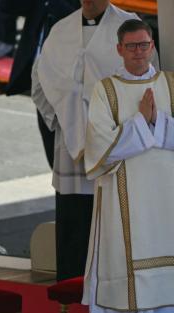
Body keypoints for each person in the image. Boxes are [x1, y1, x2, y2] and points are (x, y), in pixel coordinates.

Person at [84, 19, 174, 313]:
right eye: (132, 46)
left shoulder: (169, 83)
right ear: (119, 49)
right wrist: (141, 123)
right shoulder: (104, 91)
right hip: (127, 197)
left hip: (167, 195)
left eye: (145, 45)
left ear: (153, 46)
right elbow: (98, 148)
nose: (139, 52)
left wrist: (155, 123)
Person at [31, 0, 140, 282]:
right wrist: (64, 119)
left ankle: (114, 288)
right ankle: (70, 288)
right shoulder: (61, 31)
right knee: (74, 223)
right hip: (70, 145)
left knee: (112, 225)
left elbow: (144, 80)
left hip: (114, 145)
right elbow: (40, 78)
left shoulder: (128, 27)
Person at [0, 0, 81, 168]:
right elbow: (9, 6)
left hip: (70, 78)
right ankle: (61, 187)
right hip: (41, 78)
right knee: (52, 150)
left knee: (70, 154)